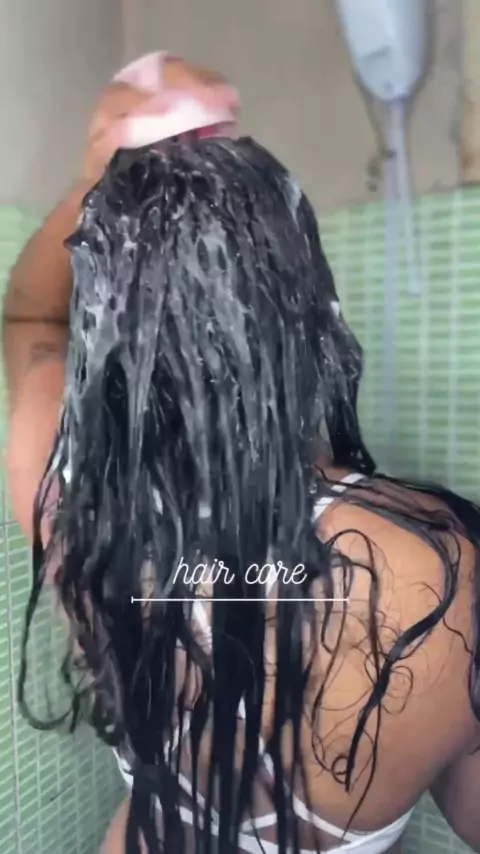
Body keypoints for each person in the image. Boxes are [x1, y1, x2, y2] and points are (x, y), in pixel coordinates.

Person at [4, 58, 480, 854]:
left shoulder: (77, 506)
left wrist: (95, 181)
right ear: (308, 314)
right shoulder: (439, 573)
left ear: (108, 329)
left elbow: (30, 323)